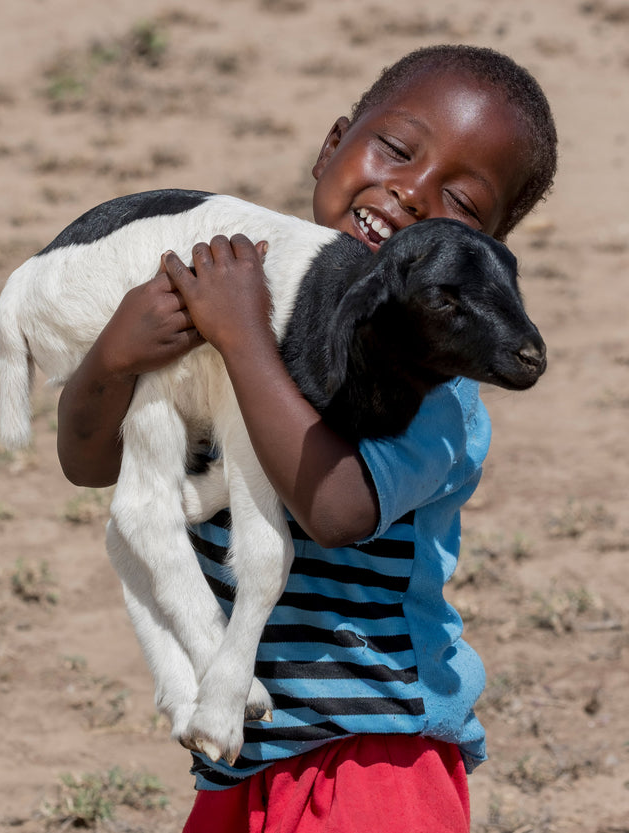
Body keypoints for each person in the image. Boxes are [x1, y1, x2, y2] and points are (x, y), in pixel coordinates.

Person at [56, 44, 559, 833]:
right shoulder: (244, 307)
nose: (410, 193)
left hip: (372, 756)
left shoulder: (434, 393)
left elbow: (337, 509)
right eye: (396, 150)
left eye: (459, 200)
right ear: (333, 147)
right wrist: (114, 356)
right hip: (246, 752)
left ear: (486, 256)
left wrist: (242, 338)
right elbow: (93, 464)